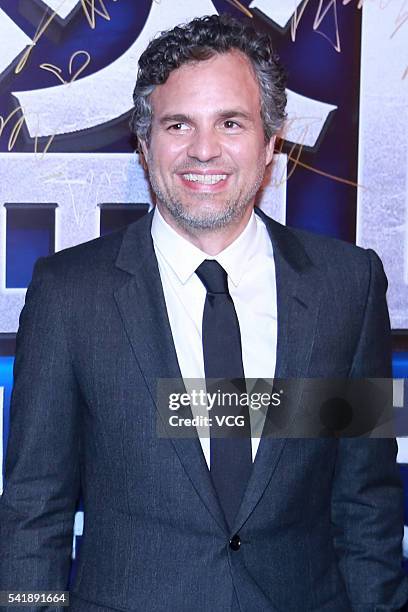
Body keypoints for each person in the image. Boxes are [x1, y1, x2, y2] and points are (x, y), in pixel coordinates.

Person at [0, 13, 407, 612]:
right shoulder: (68, 293)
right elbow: (35, 509)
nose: (204, 149)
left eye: (232, 122)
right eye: (178, 124)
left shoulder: (348, 285)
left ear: (271, 141)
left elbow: (366, 503)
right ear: (145, 144)